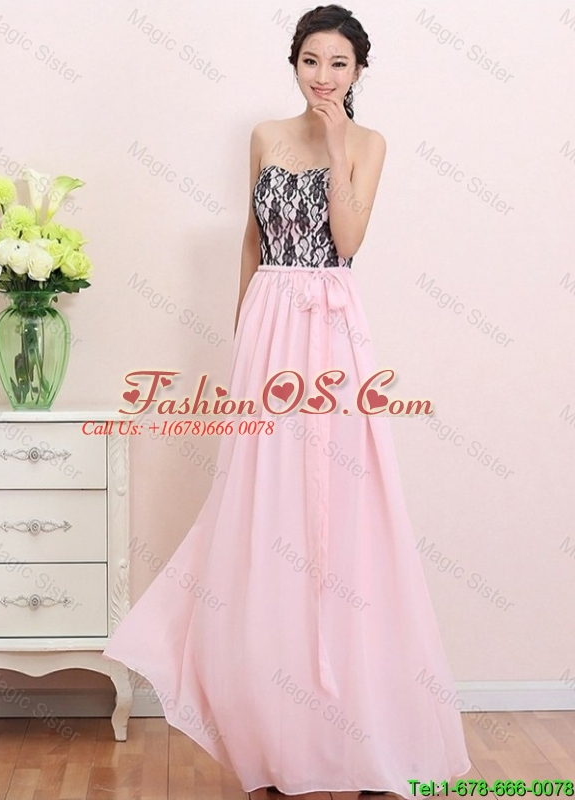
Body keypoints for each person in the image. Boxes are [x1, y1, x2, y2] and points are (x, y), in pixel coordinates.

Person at [103, 5, 472, 797]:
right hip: (269, 326)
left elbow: (348, 243)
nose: (322, 77)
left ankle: (357, 731)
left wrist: (337, 150)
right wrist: (244, 342)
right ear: (295, 63)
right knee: (265, 507)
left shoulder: (368, 144)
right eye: (311, 61)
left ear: (359, 71)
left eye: (338, 64)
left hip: (332, 332)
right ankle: (272, 738)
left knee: (342, 508)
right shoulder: (265, 135)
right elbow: (252, 240)